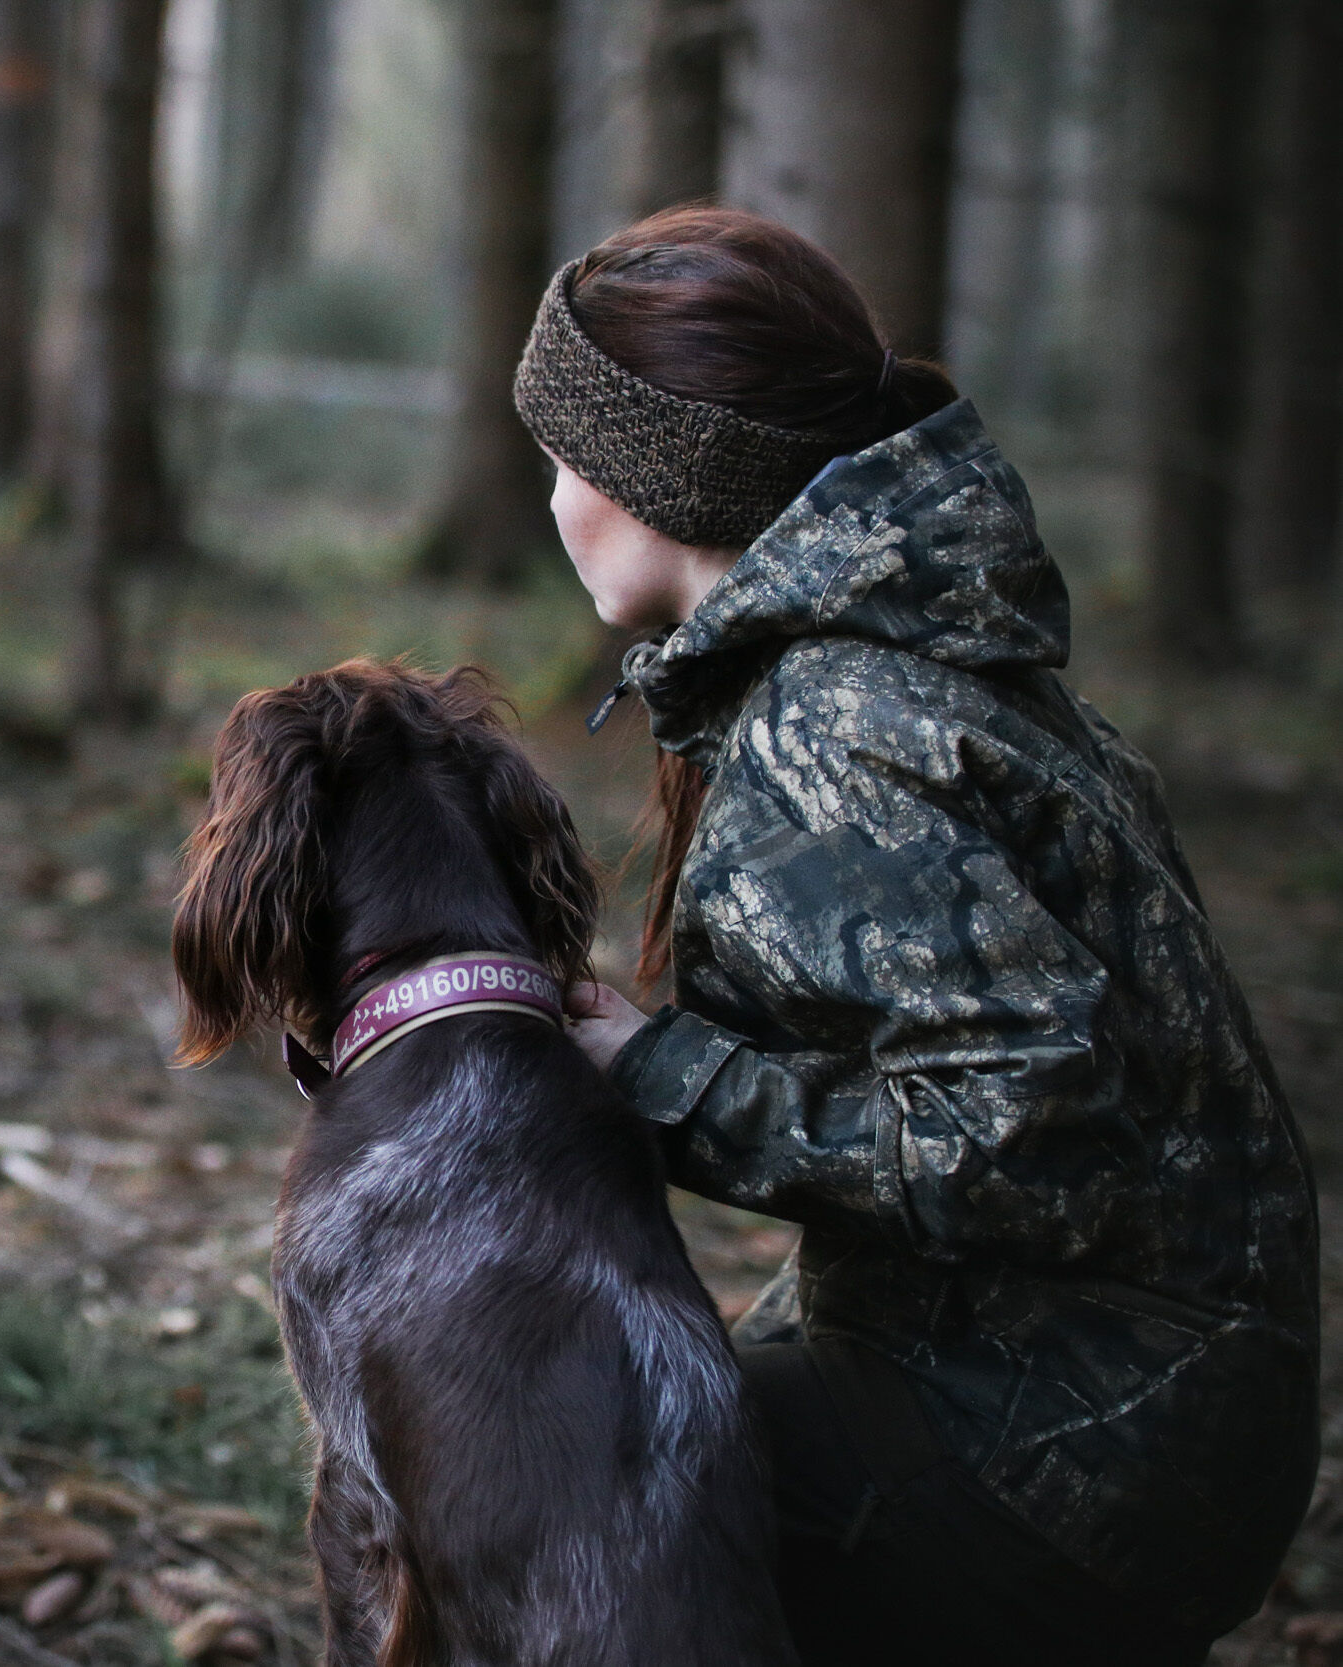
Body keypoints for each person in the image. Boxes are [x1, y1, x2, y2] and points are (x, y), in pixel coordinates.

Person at [518, 207, 1318, 1667]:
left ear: (659, 476)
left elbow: (1025, 1138)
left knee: (552, 1476)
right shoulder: (910, 657)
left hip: (1082, 1457)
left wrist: (659, 1074)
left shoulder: (846, 725)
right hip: (1153, 1404)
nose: (554, 500)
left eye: (566, 460)